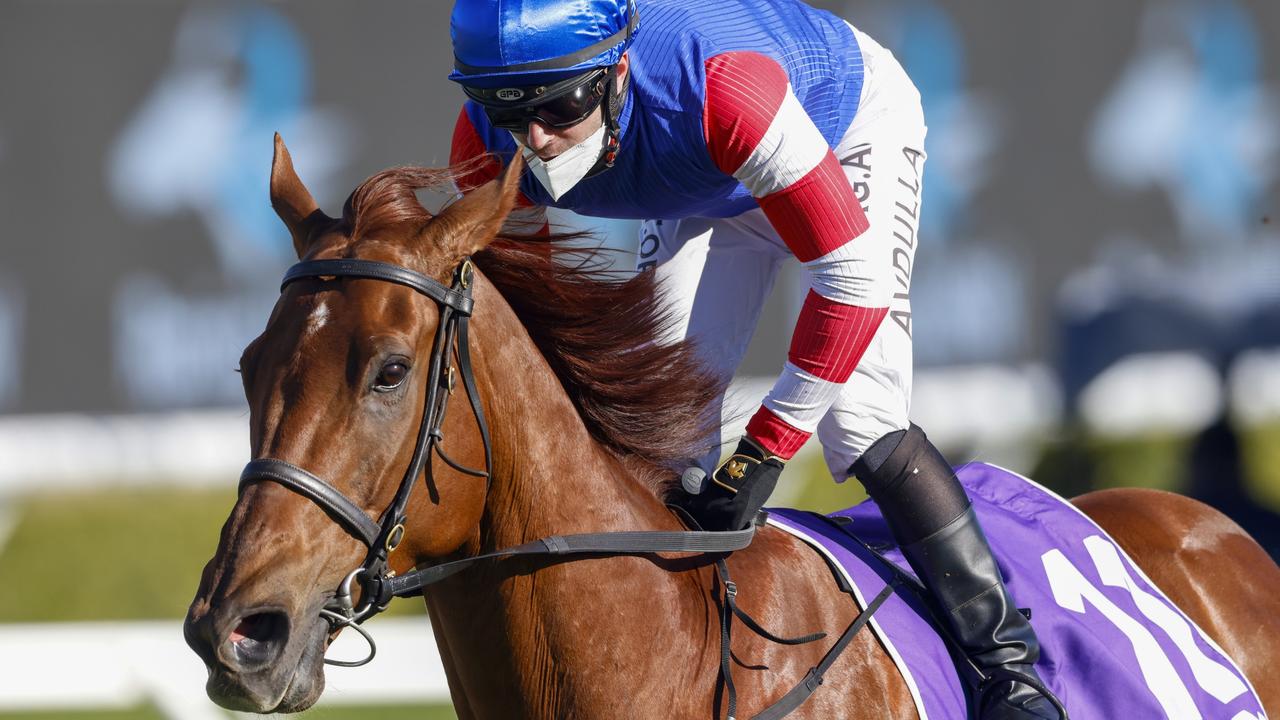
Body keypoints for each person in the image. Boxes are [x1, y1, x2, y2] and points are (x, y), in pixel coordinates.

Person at [446, 1, 1062, 716]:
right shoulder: (486, 136)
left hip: (835, 127)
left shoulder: (722, 90)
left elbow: (854, 286)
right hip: (703, 168)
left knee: (861, 422)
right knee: (659, 435)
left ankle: (1010, 672)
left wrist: (762, 455)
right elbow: (527, 318)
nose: (540, 141)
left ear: (617, 69)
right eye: (505, 110)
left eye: (558, 105)